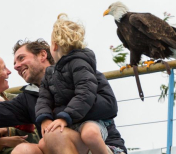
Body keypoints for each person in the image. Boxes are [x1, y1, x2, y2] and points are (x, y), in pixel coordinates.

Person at [0, 39, 127, 154]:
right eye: (14, 62)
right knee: (22, 151)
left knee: (54, 135)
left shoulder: (78, 72)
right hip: (59, 148)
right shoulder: (28, 98)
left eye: (21, 58)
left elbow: (108, 105)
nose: (15, 67)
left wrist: (52, 116)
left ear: (43, 55)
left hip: (103, 147)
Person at [35, 13, 122, 154]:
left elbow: (85, 92)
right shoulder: (49, 74)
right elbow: (43, 99)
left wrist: (65, 116)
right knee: (43, 143)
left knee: (90, 134)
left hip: (89, 122)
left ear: (55, 45)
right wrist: (44, 118)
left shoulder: (80, 64)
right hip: (71, 124)